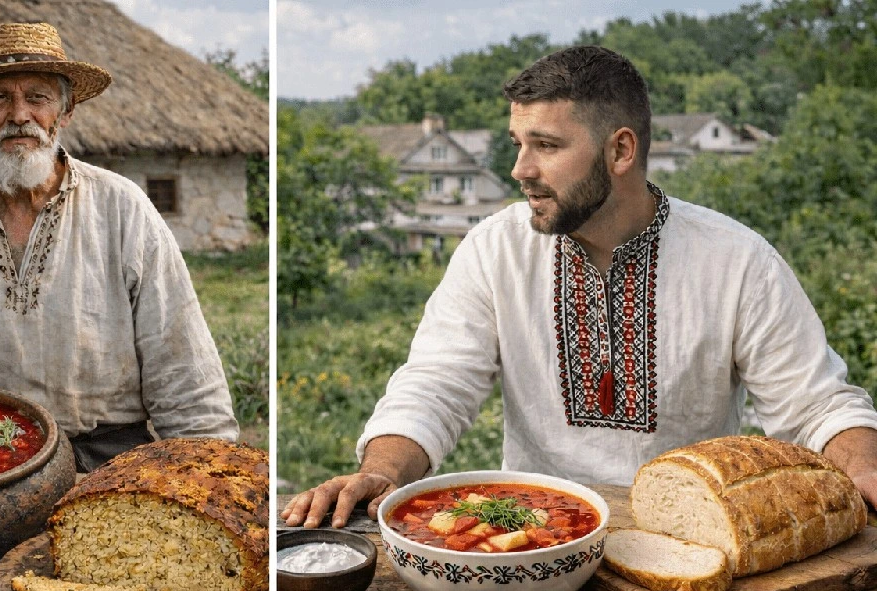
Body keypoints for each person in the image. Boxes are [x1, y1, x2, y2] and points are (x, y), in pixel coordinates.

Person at [282, 45, 877, 528]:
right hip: (530, 538)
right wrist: (384, 472)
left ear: (621, 149)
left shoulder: (736, 260)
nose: (521, 170)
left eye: (546, 145)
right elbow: (436, 383)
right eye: (519, 144)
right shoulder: (496, 248)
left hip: (691, 539)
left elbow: (816, 405)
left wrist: (864, 469)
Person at [0, 22, 238, 472]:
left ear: (65, 110)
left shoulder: (122, 207)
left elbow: (183, 367)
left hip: (103, 458)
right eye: (0, 98)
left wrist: (213, 472)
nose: (20, 115)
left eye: (37, 97)